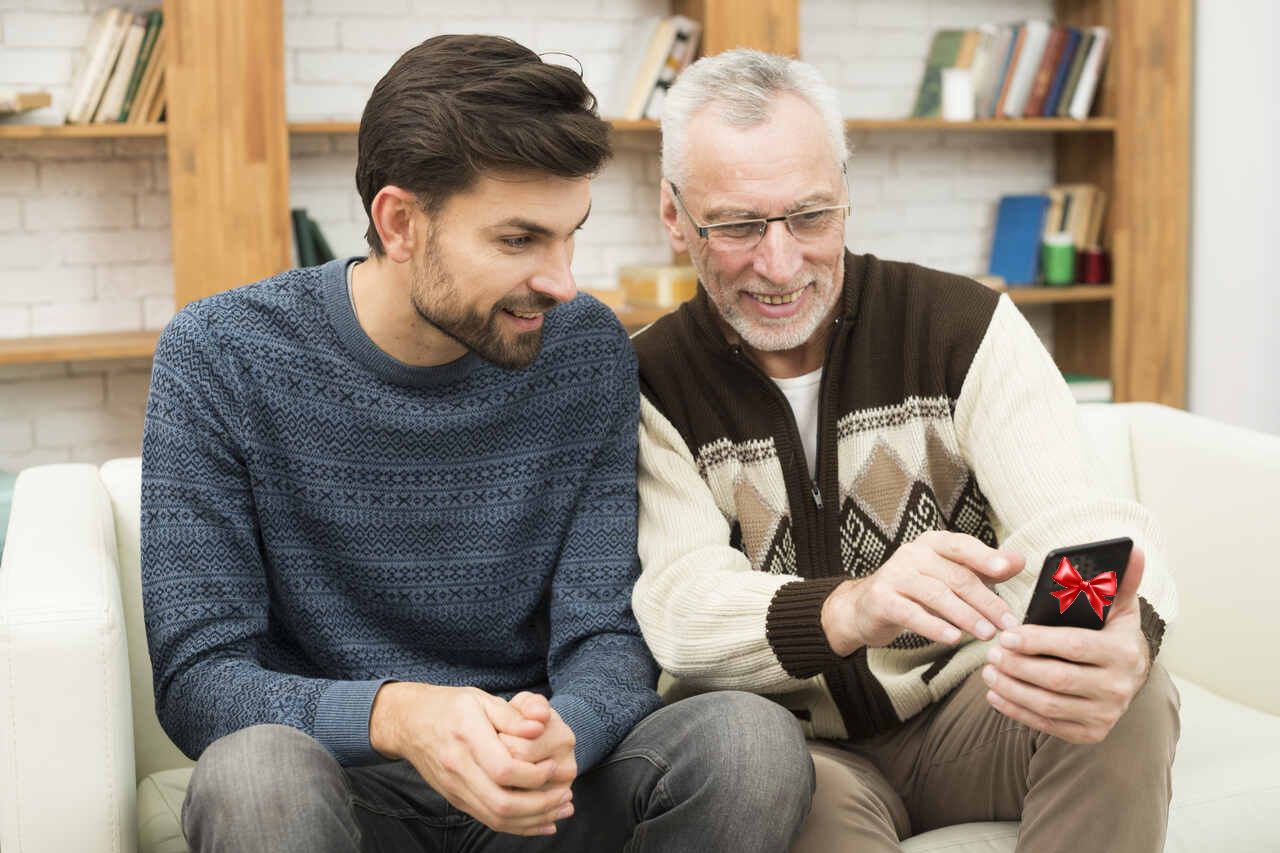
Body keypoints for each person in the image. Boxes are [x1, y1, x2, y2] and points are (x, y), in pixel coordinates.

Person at [142, 35, 812, 853]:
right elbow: (198, 681)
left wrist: (557, 738)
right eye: (519, 240)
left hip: (542, 790)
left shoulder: (586, 351)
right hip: (343, 788)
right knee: (253, 776)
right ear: (400, 223)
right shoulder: (219, 354)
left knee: (750, 743)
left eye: (570, 235)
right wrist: (402, 716)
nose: (563, 281)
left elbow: (603, 633)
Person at [630, 48, 1180, 852]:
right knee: (775, 783)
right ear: (675, 216)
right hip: (801, 749)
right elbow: (681, 606)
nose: (780, 264)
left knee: (1128, 693)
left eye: (811, 215)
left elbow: (1075, 521)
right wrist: (852, 607)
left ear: (847, 193)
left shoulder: (962, 326)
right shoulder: (651, 381)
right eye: (740, 226)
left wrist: (1111, 636)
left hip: (972, 709)